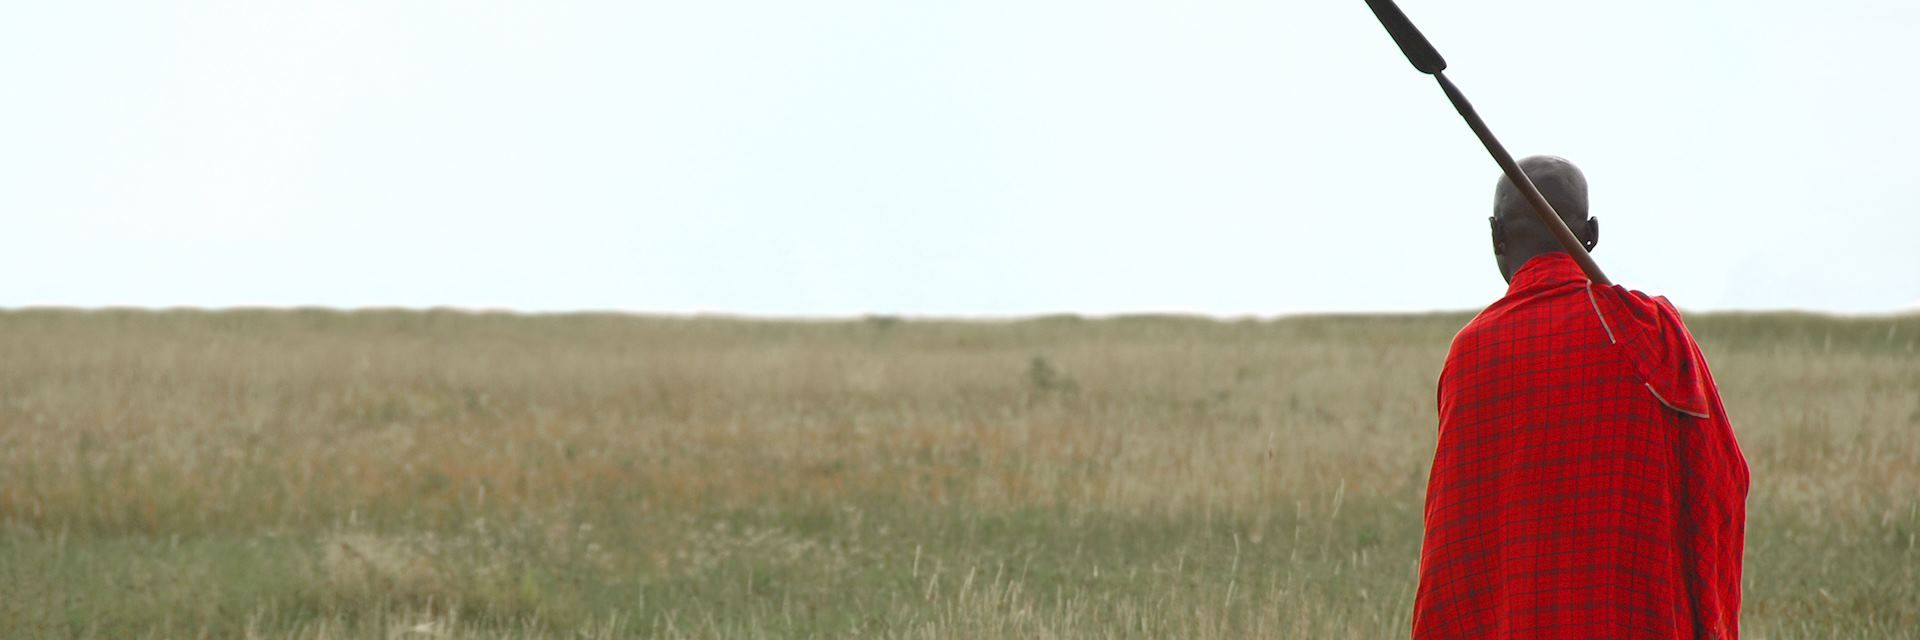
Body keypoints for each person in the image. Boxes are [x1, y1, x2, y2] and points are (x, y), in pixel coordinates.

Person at [1411, 156, 1750, 639]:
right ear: (1590, 234)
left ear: (1496, 236)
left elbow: (1456, 543)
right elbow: (1724, 477)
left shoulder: (1472, 351)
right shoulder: (1647, 334)